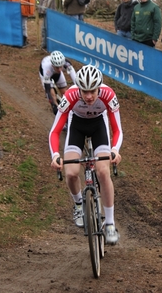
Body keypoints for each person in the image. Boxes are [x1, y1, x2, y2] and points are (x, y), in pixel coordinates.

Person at [49, 64, 123, 244]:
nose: (89, 96)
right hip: (77, 126)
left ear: (99, 88)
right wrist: (55, 155)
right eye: (85, 91)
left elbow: (117, 129)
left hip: (99, 126)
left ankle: (110, 224)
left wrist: (115, 150)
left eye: (92, 91)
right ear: (79, 89)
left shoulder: (108, 95)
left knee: (103, 172)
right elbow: (55, 131)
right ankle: (79, 204)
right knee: (72, 172)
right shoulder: (70, 96)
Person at [39, 50, 76, 115]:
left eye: (61, 67)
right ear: (52, 65)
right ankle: (59, 114)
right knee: (53, 95)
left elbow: (75, 79)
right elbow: (47, 90)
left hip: (57, 75)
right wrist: (53, 105)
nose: (59, 69)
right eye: (57, 67)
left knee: (65, 93)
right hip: (46, 75)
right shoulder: (46, 69)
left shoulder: (66, 63)